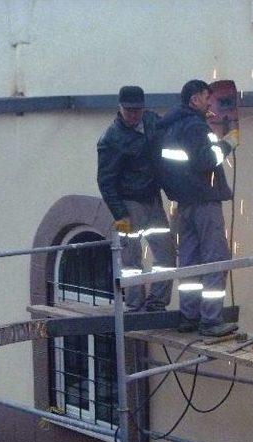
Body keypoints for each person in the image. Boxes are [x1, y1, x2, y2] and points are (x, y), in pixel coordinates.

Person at [157, 79, 238, 336]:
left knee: (190, 262)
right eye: (206, 98)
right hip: (204, 203)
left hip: (184, 205)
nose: (210, 103)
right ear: (194, 100)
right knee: (215, 259)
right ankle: (211, 320)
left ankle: (189, 316)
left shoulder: (171, 126)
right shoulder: (195, 127)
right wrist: (227, 144)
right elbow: (206, 161)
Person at [97, 85, 176, 312]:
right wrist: (120, 214)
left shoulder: (151, 121)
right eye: (129, 110)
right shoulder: (111, 139)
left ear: (143, 108)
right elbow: (105, 181)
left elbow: (167, 133)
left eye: (138, 110)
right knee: (131, 262)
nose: (134, 115)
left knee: (166, 254)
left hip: (153, 200)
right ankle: (134, 306)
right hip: (129, 203)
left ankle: (157, 302)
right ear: (120, 108)